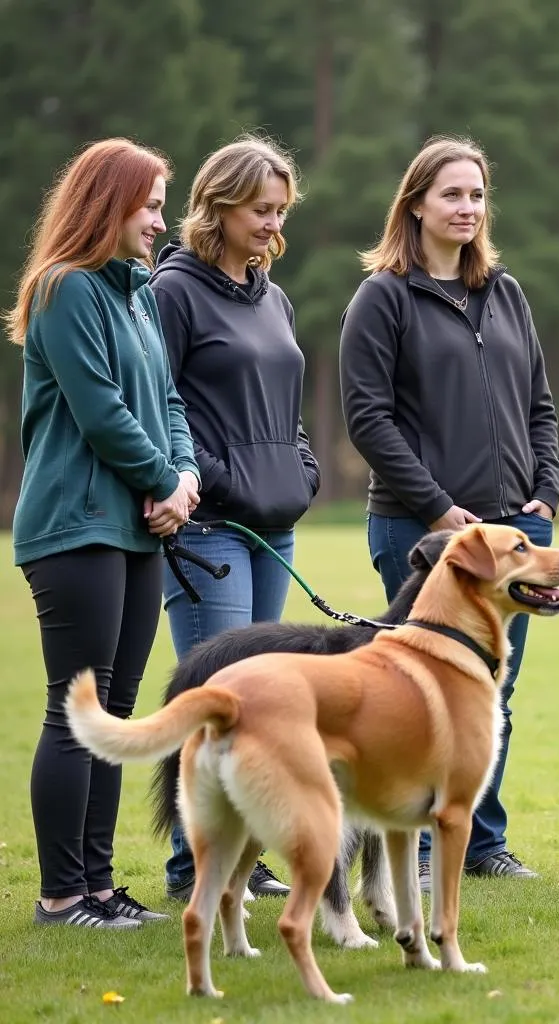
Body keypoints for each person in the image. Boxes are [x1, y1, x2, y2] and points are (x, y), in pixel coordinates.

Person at [340, 135, 559, 889]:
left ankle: (482, 840)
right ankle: (422, 848)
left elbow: (539, 404)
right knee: (418, 692)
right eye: (452, 195)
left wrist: (549, 491)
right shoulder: (383, 297)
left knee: (492, 693)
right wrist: (439, 511)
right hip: (419, 533)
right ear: (416, 205)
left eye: (476, 195)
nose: (467, 208)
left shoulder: (505, 292)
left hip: (515, 534)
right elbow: (368, 419)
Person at [8, 139, 200, 928]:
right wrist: (161, 482)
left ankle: (97, 887)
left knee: (114, 713)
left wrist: (184, 482)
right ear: (107, 203)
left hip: (136, 528)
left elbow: (170, 403)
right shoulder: (66, 290)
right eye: (150, 204)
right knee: (74, 708)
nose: (160, 220)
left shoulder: (139, 293)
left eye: (161, 204)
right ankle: (61, 895)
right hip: (75, 527)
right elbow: (103, 414)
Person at [149, 136, 320, 903]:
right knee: (218, 696)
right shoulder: (172, 292)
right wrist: (217, 480)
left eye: (280, 210)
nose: (271, 223)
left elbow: (286, 402)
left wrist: (303, 467)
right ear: (216, 206)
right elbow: (161, 405)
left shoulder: (273, 294)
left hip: (272, 527)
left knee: (261, 706)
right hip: (209, 529)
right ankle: (195, 869)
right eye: (260, 209)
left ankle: (242, 868)